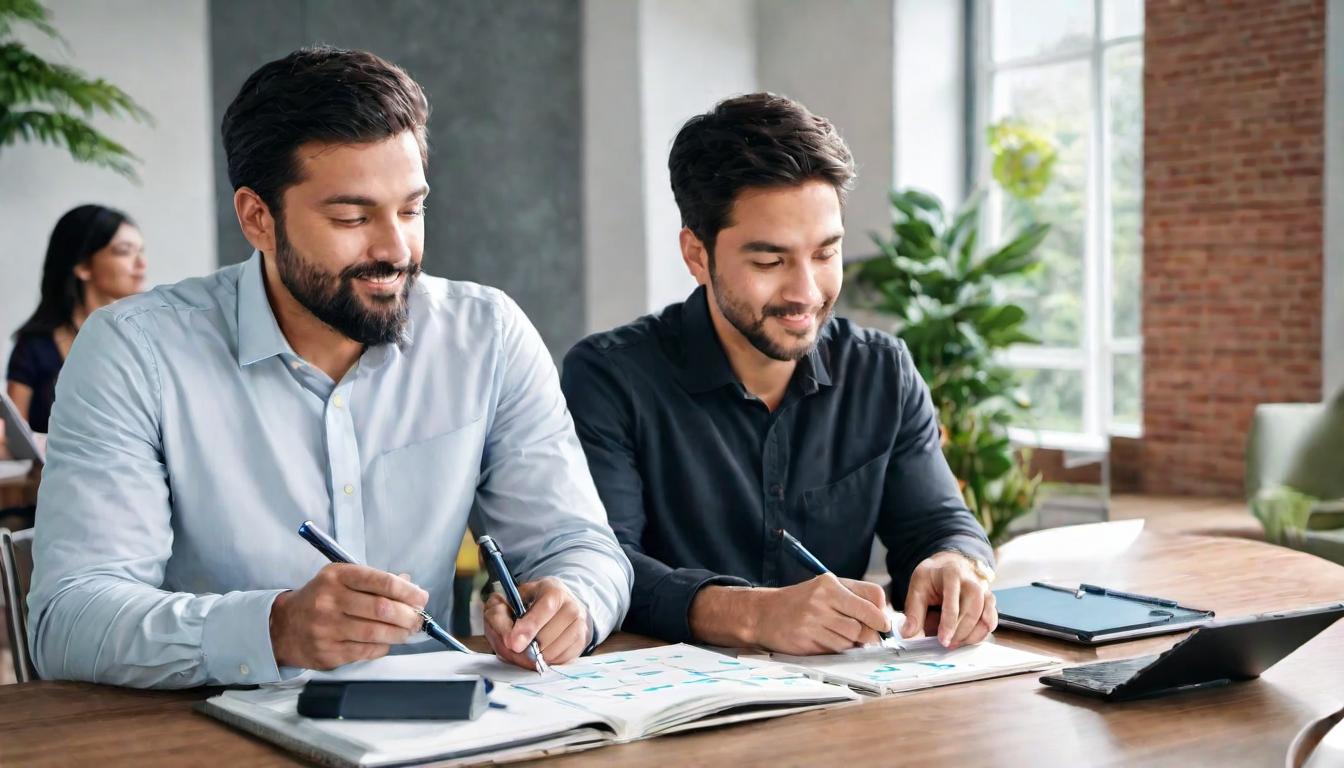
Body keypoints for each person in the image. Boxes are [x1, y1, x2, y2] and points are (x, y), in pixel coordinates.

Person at [27, 46, 632, 689]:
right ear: (258, 218)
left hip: (446, 734)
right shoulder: (133, 352)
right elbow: (69, 619)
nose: (396, 249)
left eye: (411, 209)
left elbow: (581, 545)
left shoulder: (487, 335)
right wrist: (274, 627)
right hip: (213, 735)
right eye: (351, 217)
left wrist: (572, 602)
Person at [561, 93, 997, 656]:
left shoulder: (881, 371)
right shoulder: (609, 377)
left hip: (846, 706)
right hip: (667, 715)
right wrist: (754, 615)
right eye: (770, 262)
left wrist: (954, 563)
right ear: (697, 255)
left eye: (825, 254)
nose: (806, 293)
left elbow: (940, 523)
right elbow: (601, 567)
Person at [6, 205, 145, 433]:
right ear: (82, 265)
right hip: (49, 469)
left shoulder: (146, 338)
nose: (141, 264)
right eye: (124, 251)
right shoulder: (35, 347)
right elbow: (12, 439)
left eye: (141, 251)